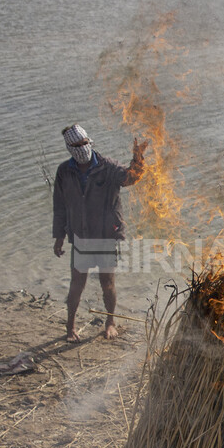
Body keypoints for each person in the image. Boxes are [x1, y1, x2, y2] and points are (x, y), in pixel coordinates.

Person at [52, 124, 148, 342]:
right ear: (69, 148)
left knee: (108, 283)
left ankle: (110, 322)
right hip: (81, 236)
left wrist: (138, 157)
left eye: (84, 143)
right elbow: (59, 205)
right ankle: (70, 327)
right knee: (77, 284)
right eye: (76, 145)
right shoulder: (64, 172)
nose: (82, 148)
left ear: (89, 141)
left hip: (106, 236)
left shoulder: (107, 167)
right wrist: (59, 237)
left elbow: (131, 178)